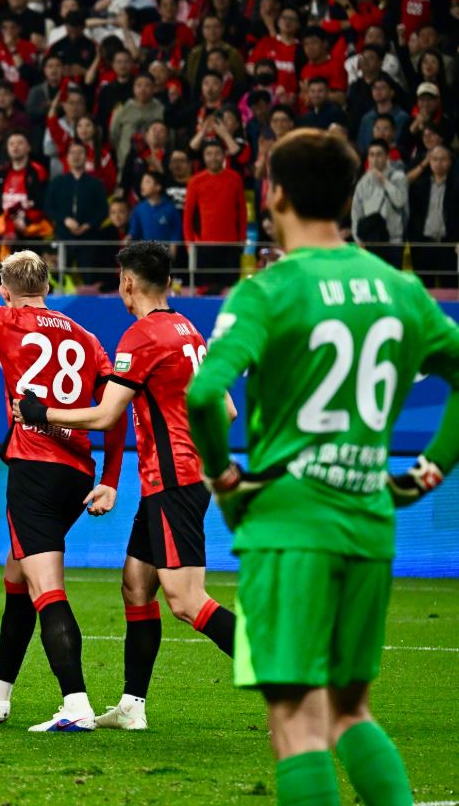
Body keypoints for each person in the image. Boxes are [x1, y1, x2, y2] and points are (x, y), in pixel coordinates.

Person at [186, 127, 459, 806]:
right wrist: (429, 470)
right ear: (345, 198)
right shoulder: (401, 289)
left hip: (287, 525)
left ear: (273, 195)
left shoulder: (268, 291)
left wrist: (225, 481)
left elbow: (203, 393)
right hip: (368, 522)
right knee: (349, 709)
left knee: (296, 722)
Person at [15, 241, 238, 731]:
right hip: (175, 478)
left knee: (186, 600)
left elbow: (105, 415)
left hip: (174, 481)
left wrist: (41, 412)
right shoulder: (188, 331)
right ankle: (132, 706)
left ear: (128, 283)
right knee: (137, 587)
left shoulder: (141, 337)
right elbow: (226, 410)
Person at [0, 215, 126, 732]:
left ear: (5, 291)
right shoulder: (87, 337)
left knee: (46, 587)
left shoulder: (5, 320)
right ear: (48, 287)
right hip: (77, 473)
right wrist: (111, 477)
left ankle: (76, 704)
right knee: (16, 574)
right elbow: (115, 410)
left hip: (35, 469)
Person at [183, 140, 246, 293]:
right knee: (206, 290)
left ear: (224, 156)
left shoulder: (235, 178)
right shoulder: (195, 181)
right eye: (209, 154)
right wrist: (189, 243)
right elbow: (188, 216)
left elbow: (242, 212)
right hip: (205, 246)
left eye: (217, 153)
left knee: (230, 291)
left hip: (231, 246)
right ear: (204, 157)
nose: (213, 157)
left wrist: (242, 239)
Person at [45, 140, 108, 286]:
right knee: (59, 277)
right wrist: (64, 219)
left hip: (88, 237)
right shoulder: (57, 182)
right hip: (63, 235)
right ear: (67, 157)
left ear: (86, 156)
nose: (76, 156)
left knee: (89, 278)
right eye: (73, 153)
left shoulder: (96, 183)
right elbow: (48, 207)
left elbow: (103, 210)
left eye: (80, 153)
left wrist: (88, 225)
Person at [351, 138, 408, 269]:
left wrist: (383, 180)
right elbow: (356, 212)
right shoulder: (363, 182)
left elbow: (400, 201)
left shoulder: (398, 177)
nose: (375, 159)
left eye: (379, 154)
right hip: (371, 242)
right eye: (371, 155)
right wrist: (357, 239)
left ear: (387, 156)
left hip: (393, 241)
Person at [408, 144, 459, 288]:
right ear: (429, 162)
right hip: (423, 244)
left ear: (450, 162)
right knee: (424, 288)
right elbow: (412, 217)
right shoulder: (418, 187)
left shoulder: (456, 187)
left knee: (450, 288)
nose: (439, 163)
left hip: (449, 246)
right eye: (435, 159)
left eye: (443, 159)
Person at [128, 171, 181, 244]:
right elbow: (134, 230)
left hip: (165, 249)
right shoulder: (138, 209)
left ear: (158, 187)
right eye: (142, 182)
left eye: (147, 182)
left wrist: (174, 244)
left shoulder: (170, 208)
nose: (142, 185)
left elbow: (177, 229)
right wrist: (129, 237)